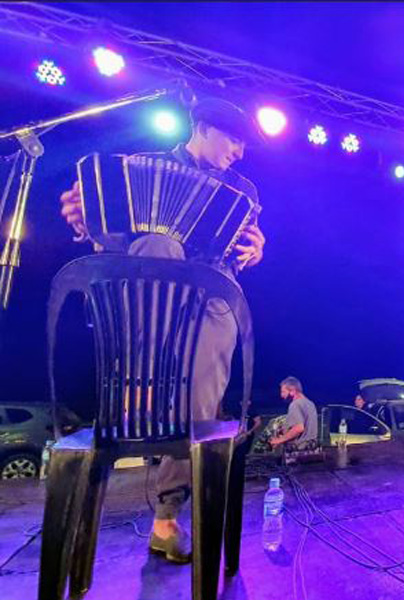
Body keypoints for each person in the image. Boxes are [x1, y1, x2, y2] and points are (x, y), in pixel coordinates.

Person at [58, 97, 267, 563]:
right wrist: (83, 217)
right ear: (204, 127)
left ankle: (167, 515)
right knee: (159, 242)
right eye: (233, 139)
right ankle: (142, 385)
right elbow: (107, 237)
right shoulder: (141, 167)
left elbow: (240, 250)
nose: (239, 151)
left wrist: (254, 251)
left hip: (209, 294)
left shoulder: (242, 190)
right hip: (147, 300)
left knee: (204, 384)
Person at [268, 377, 319, 449]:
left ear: (293, 390)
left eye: (283, 392)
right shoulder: (310, 404)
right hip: (312, 450)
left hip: (299, 453)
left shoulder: (295, 404)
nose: (281, 396)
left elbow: (298, 428)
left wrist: (278, 440)